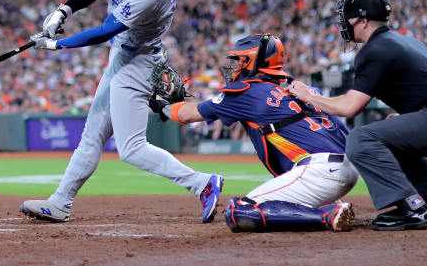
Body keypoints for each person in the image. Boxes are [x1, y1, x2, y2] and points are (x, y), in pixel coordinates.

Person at [20, 0, 223, 223]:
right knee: (91, 136)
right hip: (125, 56)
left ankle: (202, 183)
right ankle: (61, 202)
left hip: (137, 64)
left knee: (131, 148)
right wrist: (63, 11)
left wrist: (56, 44)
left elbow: (105, 31)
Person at [288, 0, 427, 231]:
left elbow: (349, 107)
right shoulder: (405, 41)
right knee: (389, 135)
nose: (345, 24)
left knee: (361, 138)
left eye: (349, 19)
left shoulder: (375, 49)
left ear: (363, 21)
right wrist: (411, 118)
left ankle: (411, 207)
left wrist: (309, 96)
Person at [149, 34, 358, 232]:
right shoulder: (302, 89)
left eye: (238, 60)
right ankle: (331, 204)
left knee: (240, 210)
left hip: (319, 172)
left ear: (252, 62)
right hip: (347, 169)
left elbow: (187, 114)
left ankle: (327, 215)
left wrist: (162, 104)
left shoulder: (246, 91)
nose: (233, 66)